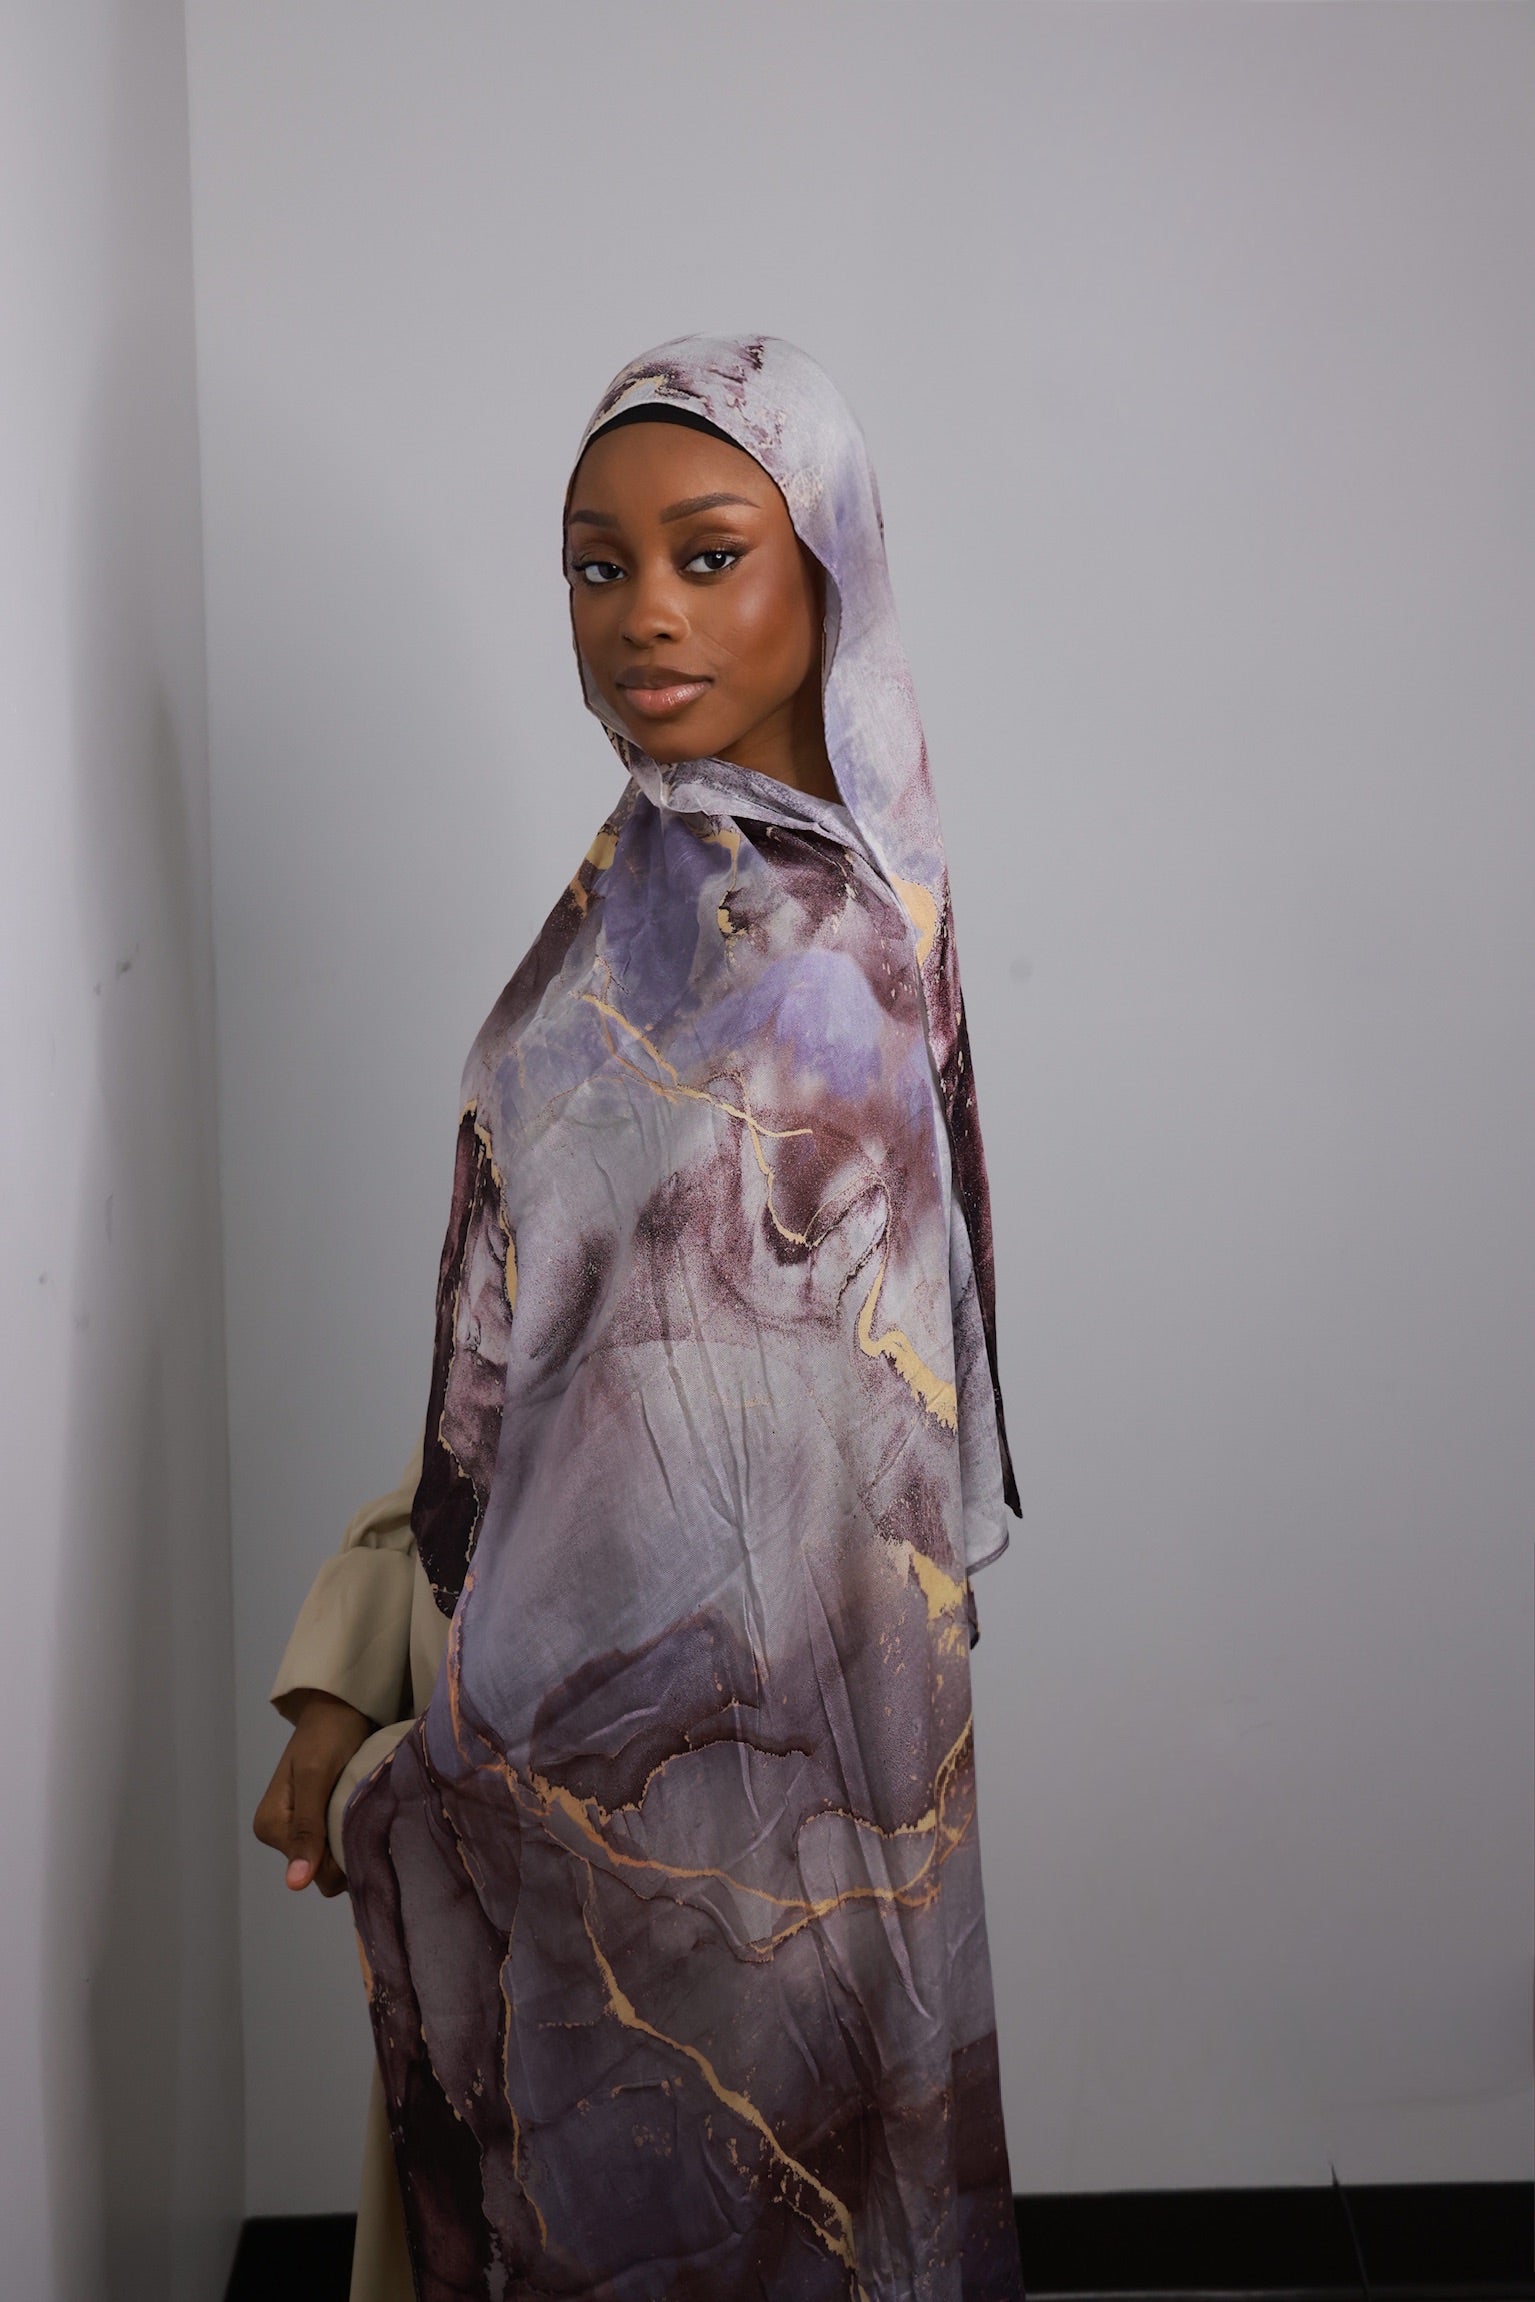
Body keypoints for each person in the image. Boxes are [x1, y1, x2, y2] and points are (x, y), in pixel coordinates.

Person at [257, 334, 1025, 2302]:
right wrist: (355, 1659)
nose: (644, 613)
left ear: (827, 574)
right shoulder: (639, 896)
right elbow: (525, 1348)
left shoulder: (825, 984)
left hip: (720, 1816)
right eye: (598, 566)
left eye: (708, 553)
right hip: (541, 1731)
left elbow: (741, 1496)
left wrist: (433, 1744)